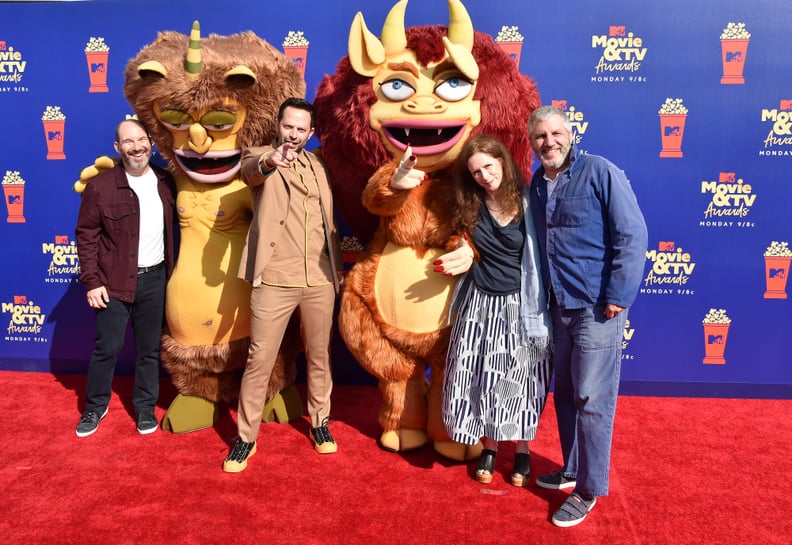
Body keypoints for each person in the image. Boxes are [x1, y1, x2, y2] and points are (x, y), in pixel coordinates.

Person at [527, 105, 648, 527]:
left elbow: (632, 235)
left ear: (570, 134)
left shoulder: (599, 171)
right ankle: (572, 469)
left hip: (597, 307)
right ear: (531, 142)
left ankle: (588, 490)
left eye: (556, 133)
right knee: (565, 393)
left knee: (593, 399)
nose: (549, 142)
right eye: (540, 136)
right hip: (558, 306)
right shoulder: (538, 184)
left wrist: (618, 294)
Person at [223, 98, 343, 473]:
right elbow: (249, 170)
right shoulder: (260, 156)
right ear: (279, 126)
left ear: (310, 133)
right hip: (274, 278)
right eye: (288, 126)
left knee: (320, 355)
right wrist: (270, 161)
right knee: (259, 360)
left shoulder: (319, 164)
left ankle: (320, 423)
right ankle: (245, 438)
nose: (293, 134)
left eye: (301, 129)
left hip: (320, 278)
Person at [439, 134, 552, 488]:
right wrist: (461, 248)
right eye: (476, 172)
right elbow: (458, 241)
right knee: (482, 376)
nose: (485, 175)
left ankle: (521, 449)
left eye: (489, 166)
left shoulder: (530, 200)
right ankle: (489, 447)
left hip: (521, 304)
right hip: (479, 303)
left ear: (502, 161)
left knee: (521, 378)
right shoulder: (468, 206)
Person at [74, 118, 176, 437]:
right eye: (128, 142)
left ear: (151, 143)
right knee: (107, 348)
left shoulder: (166, 182)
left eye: (142, 140)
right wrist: (92, 281)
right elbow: (86, 235)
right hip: (112, 282)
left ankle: (145, 407)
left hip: (156, 279)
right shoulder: (101, 187)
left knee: (149, 349)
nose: (137, 147)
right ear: (118, 148)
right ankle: (95, 407)